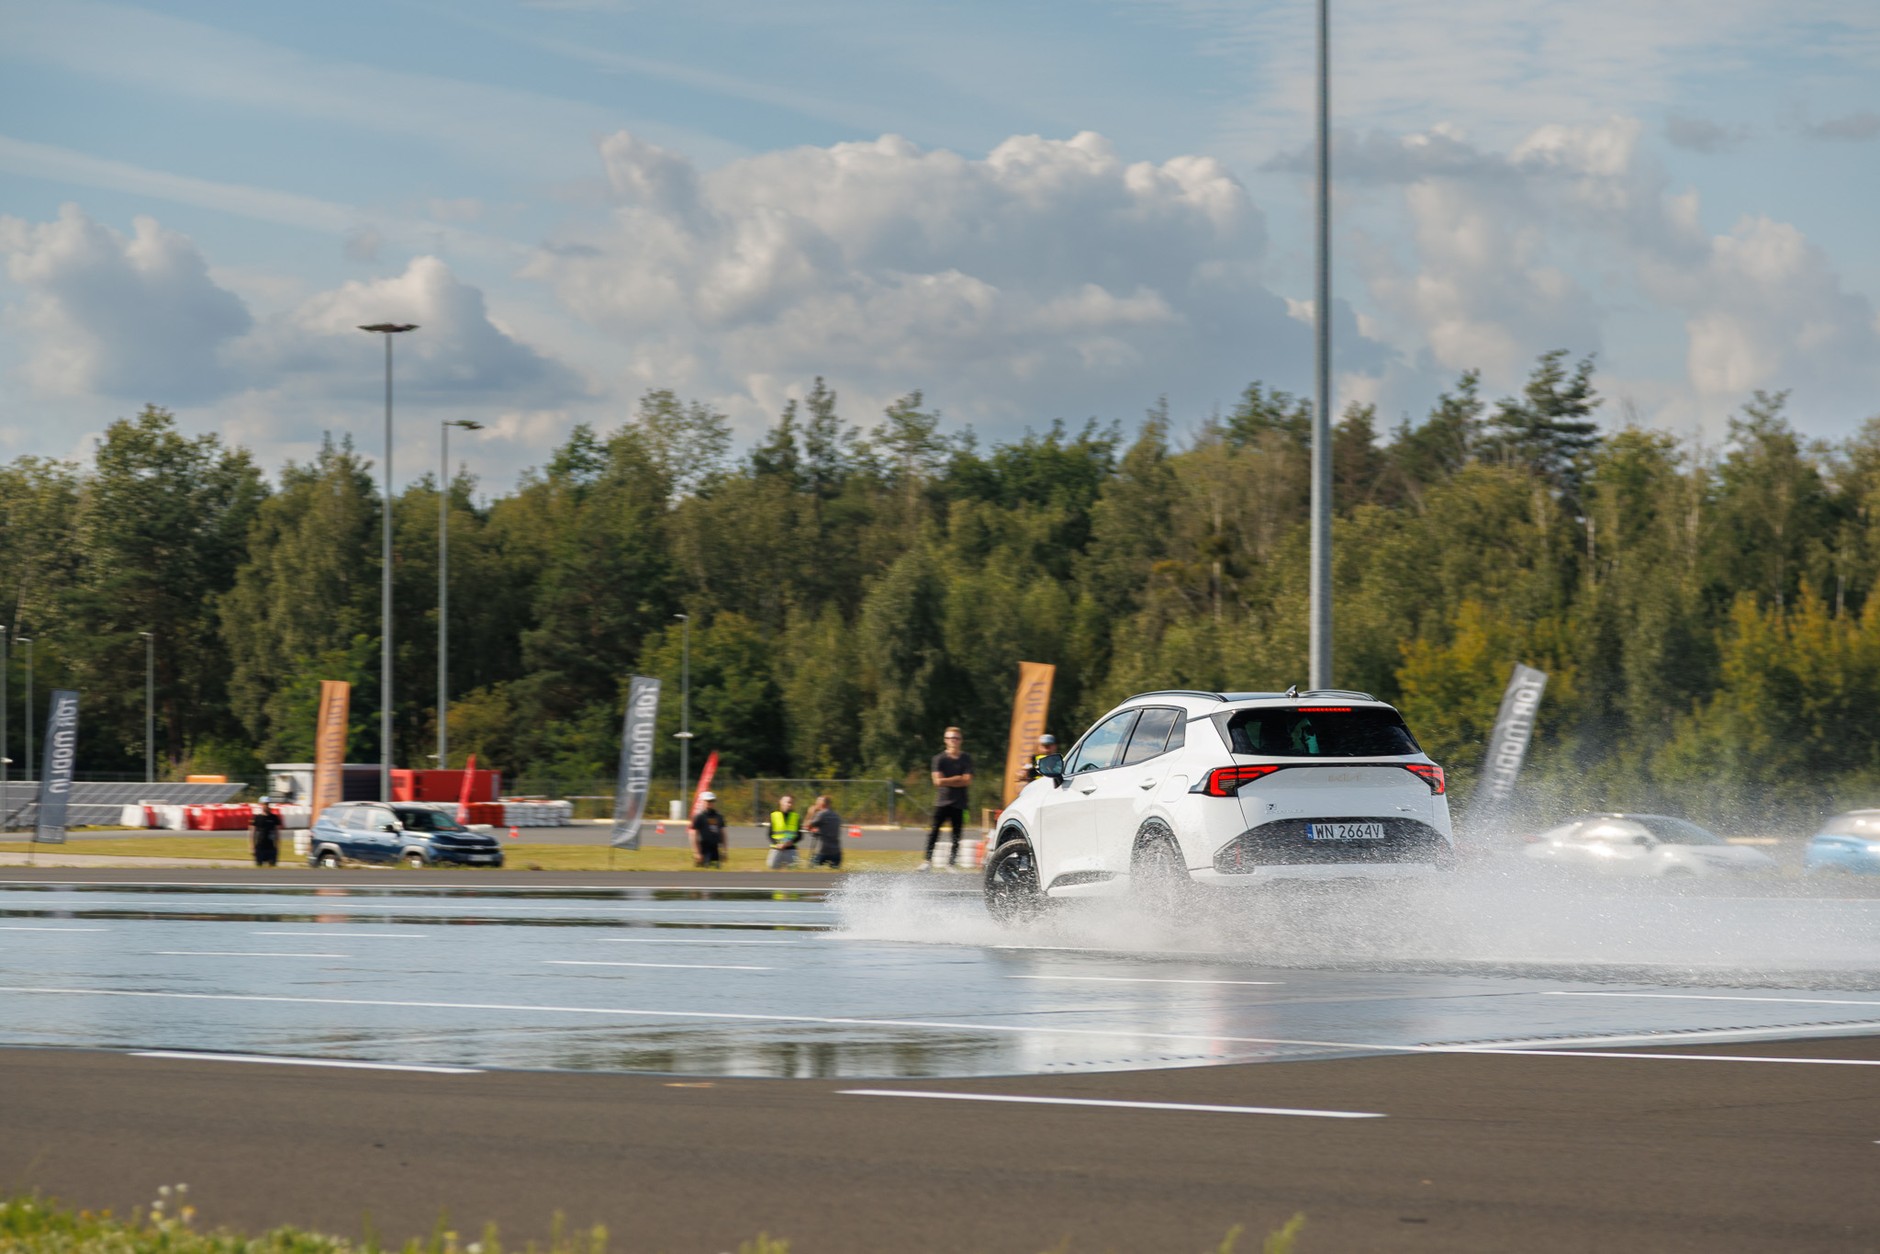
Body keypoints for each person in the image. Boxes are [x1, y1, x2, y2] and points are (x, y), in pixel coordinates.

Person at [920, 726, 974, 870]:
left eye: (956, 738)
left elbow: (967, 780)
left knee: (956, 835)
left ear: (960, 740)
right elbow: (937, 782)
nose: (953, 741)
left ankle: (951, 863)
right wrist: (957, 778)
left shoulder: (966, 758)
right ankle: (927, 861)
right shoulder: (939, 759)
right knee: (934, 832)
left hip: (960, 802)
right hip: (942, 801)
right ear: (945, 740)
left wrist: (947, 780)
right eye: (950, 738)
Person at [690, 792, 728, 868]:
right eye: (708, 801)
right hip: (704, 848)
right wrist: (697, 852)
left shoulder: (719, 816)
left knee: (716, 868)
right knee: (705, 868)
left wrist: (725, 850)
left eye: (712, 801)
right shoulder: (699, 817)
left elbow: (723, 834)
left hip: (715, 847)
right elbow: (694, 835)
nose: (710, 803)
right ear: (703, 802)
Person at [805, 794, 843, 869]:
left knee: (811, 870)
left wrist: (810, 813)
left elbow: (807, 826)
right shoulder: (836, 815)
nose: (815, 805)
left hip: (823, 851)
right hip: (836, 851)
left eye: (817, 803)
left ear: (822, 804)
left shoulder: (821, 814)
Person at [766, 793, 803, 869]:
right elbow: (770, 834)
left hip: (791, 849)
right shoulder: (774, 815)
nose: (789, 805)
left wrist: (791, 842)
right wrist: (777, 844)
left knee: (794, 870)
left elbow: (800, 835)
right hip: (777, 849)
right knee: (772, 868)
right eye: (788, 802)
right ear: (781, 802)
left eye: (791, 803)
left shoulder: (796, 817)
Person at [250, 796, 282, 868]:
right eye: (264, 804)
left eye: (267, 804)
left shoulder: (274, 818)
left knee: (272, 867)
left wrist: (277, 846)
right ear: (261, 805)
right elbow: (253, 833)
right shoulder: (257, 818)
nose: (266, 806)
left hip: (271, 847)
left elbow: (277, 833)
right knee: (259, 867)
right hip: (260, 847)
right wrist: (252, 846)